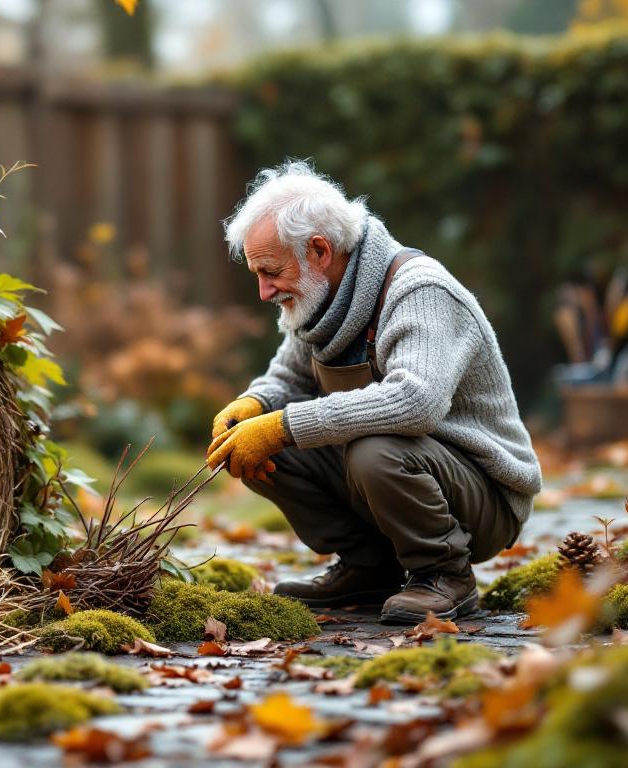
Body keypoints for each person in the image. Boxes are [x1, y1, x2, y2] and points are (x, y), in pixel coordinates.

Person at [206, 161, 541, 623]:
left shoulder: (419, 290)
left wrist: (282, 425)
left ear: (319, 250)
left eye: (271, 271)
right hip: (403, 475)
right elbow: (288, 379)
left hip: (483, 497)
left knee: (372, 449)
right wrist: (253, 407)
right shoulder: (318, 297)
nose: (264, 291)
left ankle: (445, 575)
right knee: (260, 448)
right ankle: (369, 567)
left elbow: (415, 403)